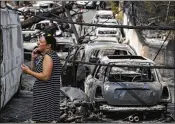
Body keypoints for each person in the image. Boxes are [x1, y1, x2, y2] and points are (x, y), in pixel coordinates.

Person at [21, 34, 62, 123]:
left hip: (45, 96)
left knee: (43, 121)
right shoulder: (49, 55)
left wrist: (28, 71)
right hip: (46, 95)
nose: (38, 43)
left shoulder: (48, 57)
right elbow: (35, 71)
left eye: (41, 42)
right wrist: (33, 58)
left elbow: (45, 77)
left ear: (48, 45)